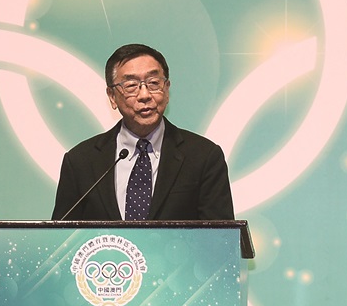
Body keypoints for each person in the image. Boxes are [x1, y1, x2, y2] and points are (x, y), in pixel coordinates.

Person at [51, 43, 234, 221]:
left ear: (167, 90)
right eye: (131, 85)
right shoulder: (80, 162)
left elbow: (221, 237)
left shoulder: (204, 157)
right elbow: (61, 236)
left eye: (153, 83)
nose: (145, 95)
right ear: (112, 96)